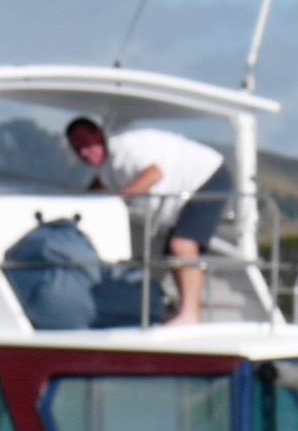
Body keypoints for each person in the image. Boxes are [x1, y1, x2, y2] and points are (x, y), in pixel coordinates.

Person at [65, 117, 229, 326]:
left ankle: (190, 315)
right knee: (171, 252)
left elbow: (154, 174)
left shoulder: (124, 147)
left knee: (182, 245)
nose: (84, 153)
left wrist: (119, 198)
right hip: (186, 192)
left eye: (87, 144)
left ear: (99, 135)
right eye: (78, 149)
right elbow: (96, 190)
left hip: (208, 177)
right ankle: (189, 314)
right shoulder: (106, 167)